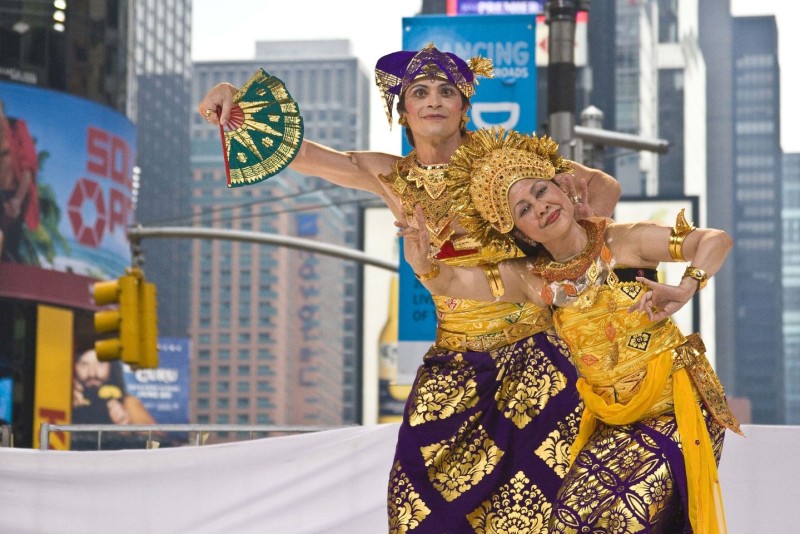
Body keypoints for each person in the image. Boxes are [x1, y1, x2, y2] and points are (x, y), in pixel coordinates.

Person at [198, 44, 621, 532]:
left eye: (447, 91)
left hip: (540, 357)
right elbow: (305, 155)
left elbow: (602, 186)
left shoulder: (509, 163)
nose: (434, 100)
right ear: (404, 111)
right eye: (420, 92)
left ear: (464, 106)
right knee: (418, 505)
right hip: (454, 365)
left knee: (540, 509)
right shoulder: (392, 177)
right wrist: (235, 102)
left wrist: (576, 232)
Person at [400, 127, 742, 533]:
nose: (539, 208)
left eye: (541, 192)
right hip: (614, 420)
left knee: (626, 517)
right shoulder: (532, 279)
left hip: (677, 407)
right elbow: (453, 284)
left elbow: (713, 240)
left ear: (564, 190)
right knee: (566, 521)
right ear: (520, 232)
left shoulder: (624, 242)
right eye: (523, 209)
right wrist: (423, 265)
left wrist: (688, 285)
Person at [72, 347, 156, 450]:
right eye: (84, 365)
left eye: (100, 364)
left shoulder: (127, 404)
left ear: (112, 367)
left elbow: (157, 446)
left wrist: (130, 433)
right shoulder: (64, 404)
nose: (92, 373)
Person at [0, 99, 39, 263]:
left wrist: (16, 201)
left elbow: (27, 171)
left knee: (10, 249)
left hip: (14, 197)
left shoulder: (17, 128)